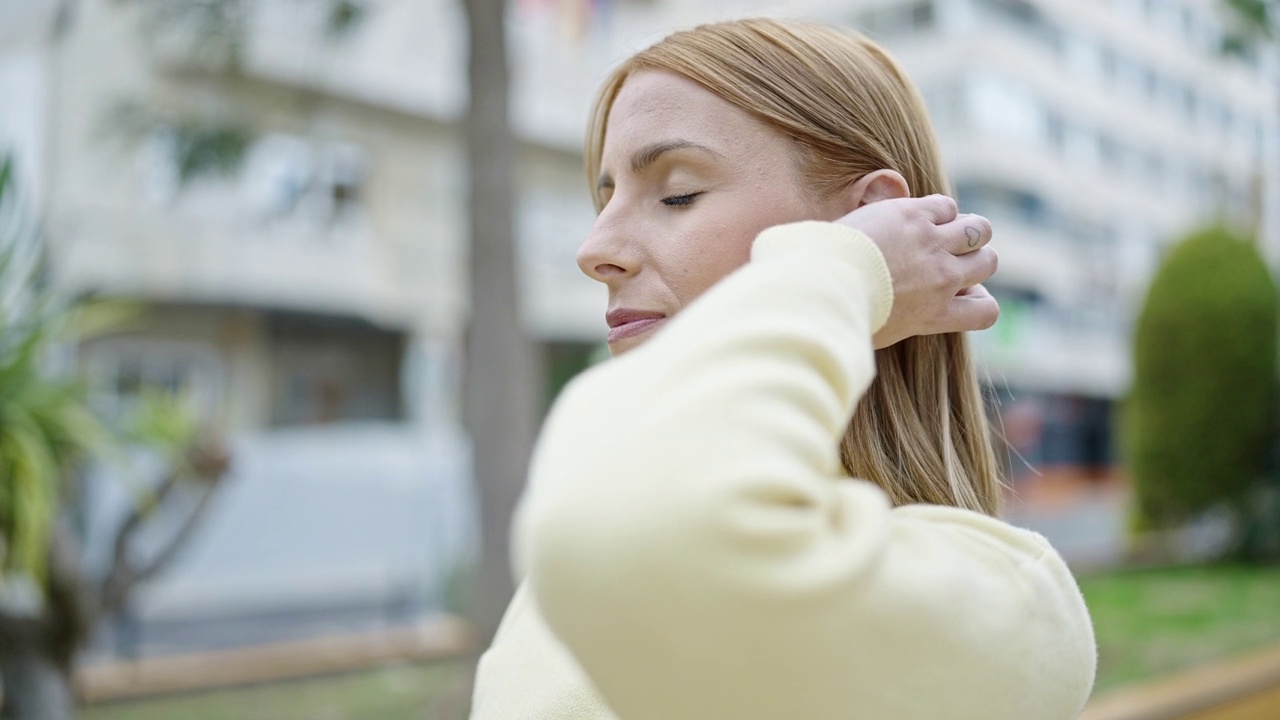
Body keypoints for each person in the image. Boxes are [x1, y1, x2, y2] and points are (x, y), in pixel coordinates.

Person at [471, 17, 1096, 720]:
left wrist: (847, 271)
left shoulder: (999, 607)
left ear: (875, 228)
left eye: (676, 193)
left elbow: (622, 525)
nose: (595, 248)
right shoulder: (563, 577)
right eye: (605, 197)